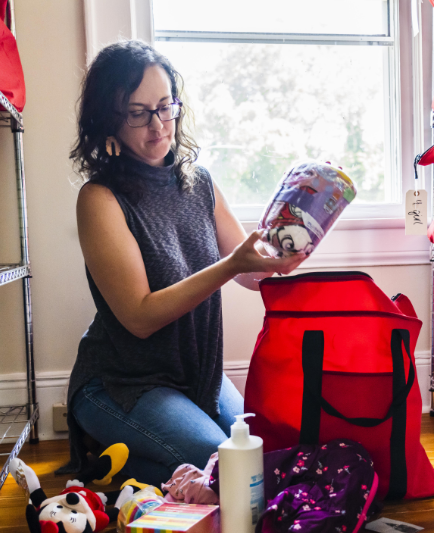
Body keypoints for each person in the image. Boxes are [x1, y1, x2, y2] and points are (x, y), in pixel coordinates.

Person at [60, 40, 305, 485]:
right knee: (234, 469)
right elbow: (139, 317)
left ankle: (121, 464)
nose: (157, 126)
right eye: (137, 113)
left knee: (264, 454)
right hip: (121, 384)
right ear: (108, 119)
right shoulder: (98, 199)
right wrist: (231, 264)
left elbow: (249, 271)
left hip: (200, 376)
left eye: (164, 107)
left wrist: (282, 258)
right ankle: (110, 455)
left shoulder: (200, 183)